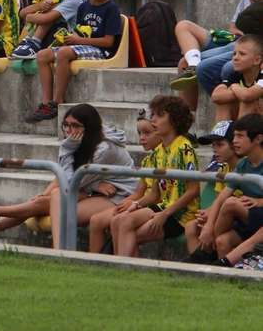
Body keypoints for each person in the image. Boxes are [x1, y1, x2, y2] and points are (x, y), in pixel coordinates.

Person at [0, 104, 135, 249]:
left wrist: (67, 149)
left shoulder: (104, 149)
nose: (69, 131)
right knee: (47, 199)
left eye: (75, 126)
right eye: (66, 125)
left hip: (119, 195)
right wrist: (45, 193)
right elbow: (66, 176)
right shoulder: (83, 141)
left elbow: (69, 183)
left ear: (89, 127)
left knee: (54, 200)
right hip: (94, 189)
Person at [169, 0, 263, 110]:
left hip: (253, 45)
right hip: (236, 39)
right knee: (184, 30)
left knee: (225, 67)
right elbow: (233, 27)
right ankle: (185, 125)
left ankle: (231, 123)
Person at [28, 0, 121, 122]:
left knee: (64, 53)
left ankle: (57, 102)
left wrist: (77, 40)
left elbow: (108, 42)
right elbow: (79, 31)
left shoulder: (111, 8)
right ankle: (46, 103)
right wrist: (68, 40)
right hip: (82, 46)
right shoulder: (83, 7)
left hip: (101, 51)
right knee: (43, 55)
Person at [112, 96, 199, 257]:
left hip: (180, 215)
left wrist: (164, 215)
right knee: (118, 220)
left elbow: (193, 190)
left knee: (126, 225)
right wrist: (136, 204)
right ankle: (126, 272)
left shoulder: (184, 148)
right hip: (164, 208)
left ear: (174, 120)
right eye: (153, 115)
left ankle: (123, 271)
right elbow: (154, 194)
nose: (153, 120)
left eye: (159, 115)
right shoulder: (159, 152)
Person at [87, 114, 162, 253]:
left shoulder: (164, 157)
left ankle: (122, 264)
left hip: (152, 206)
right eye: (139, 133)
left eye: (147, 133)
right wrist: (126, 203)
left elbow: (156, 195)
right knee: (96, 221)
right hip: (139, 202)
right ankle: (95, 265)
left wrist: (134, 204)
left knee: (121, 222)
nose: (141, 138)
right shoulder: (147, 160)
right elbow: (139, 191)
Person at [204, 114, 263, 266]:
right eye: (234, 136)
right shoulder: (243, 164)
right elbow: (220, 199)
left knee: (232, 204)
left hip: (258, 212)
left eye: (240, 136)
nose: (235, 141)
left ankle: (208, 255)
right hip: (250, 217)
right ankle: (224, 277)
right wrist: (209, 227)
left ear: (258, 139)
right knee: (222, 241)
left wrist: (258, 201)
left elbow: (228, 201)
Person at [182, 121, 240, 263]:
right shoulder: (223, 168)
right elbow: (218, 199)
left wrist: (210, 223)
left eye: (220, 145)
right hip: (225, 217)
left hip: (239, 220)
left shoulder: (244, 166)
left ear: (234, 144)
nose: (215, 149)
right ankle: (200, 267)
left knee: (216, 234)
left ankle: (203, 260)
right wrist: (207, 212)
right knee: (191, 226)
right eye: (213, 145)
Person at [210, 34, 263, 123]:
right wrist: (240, 92)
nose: (235, 58)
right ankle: (221, 136)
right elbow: (216, 96)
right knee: (223, 102)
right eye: (234, 54)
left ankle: (242, 134)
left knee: (248, 102)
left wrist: (235, 87)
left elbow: (247, 96)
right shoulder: (235, 74)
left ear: (257, 60)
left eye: (242, 54)